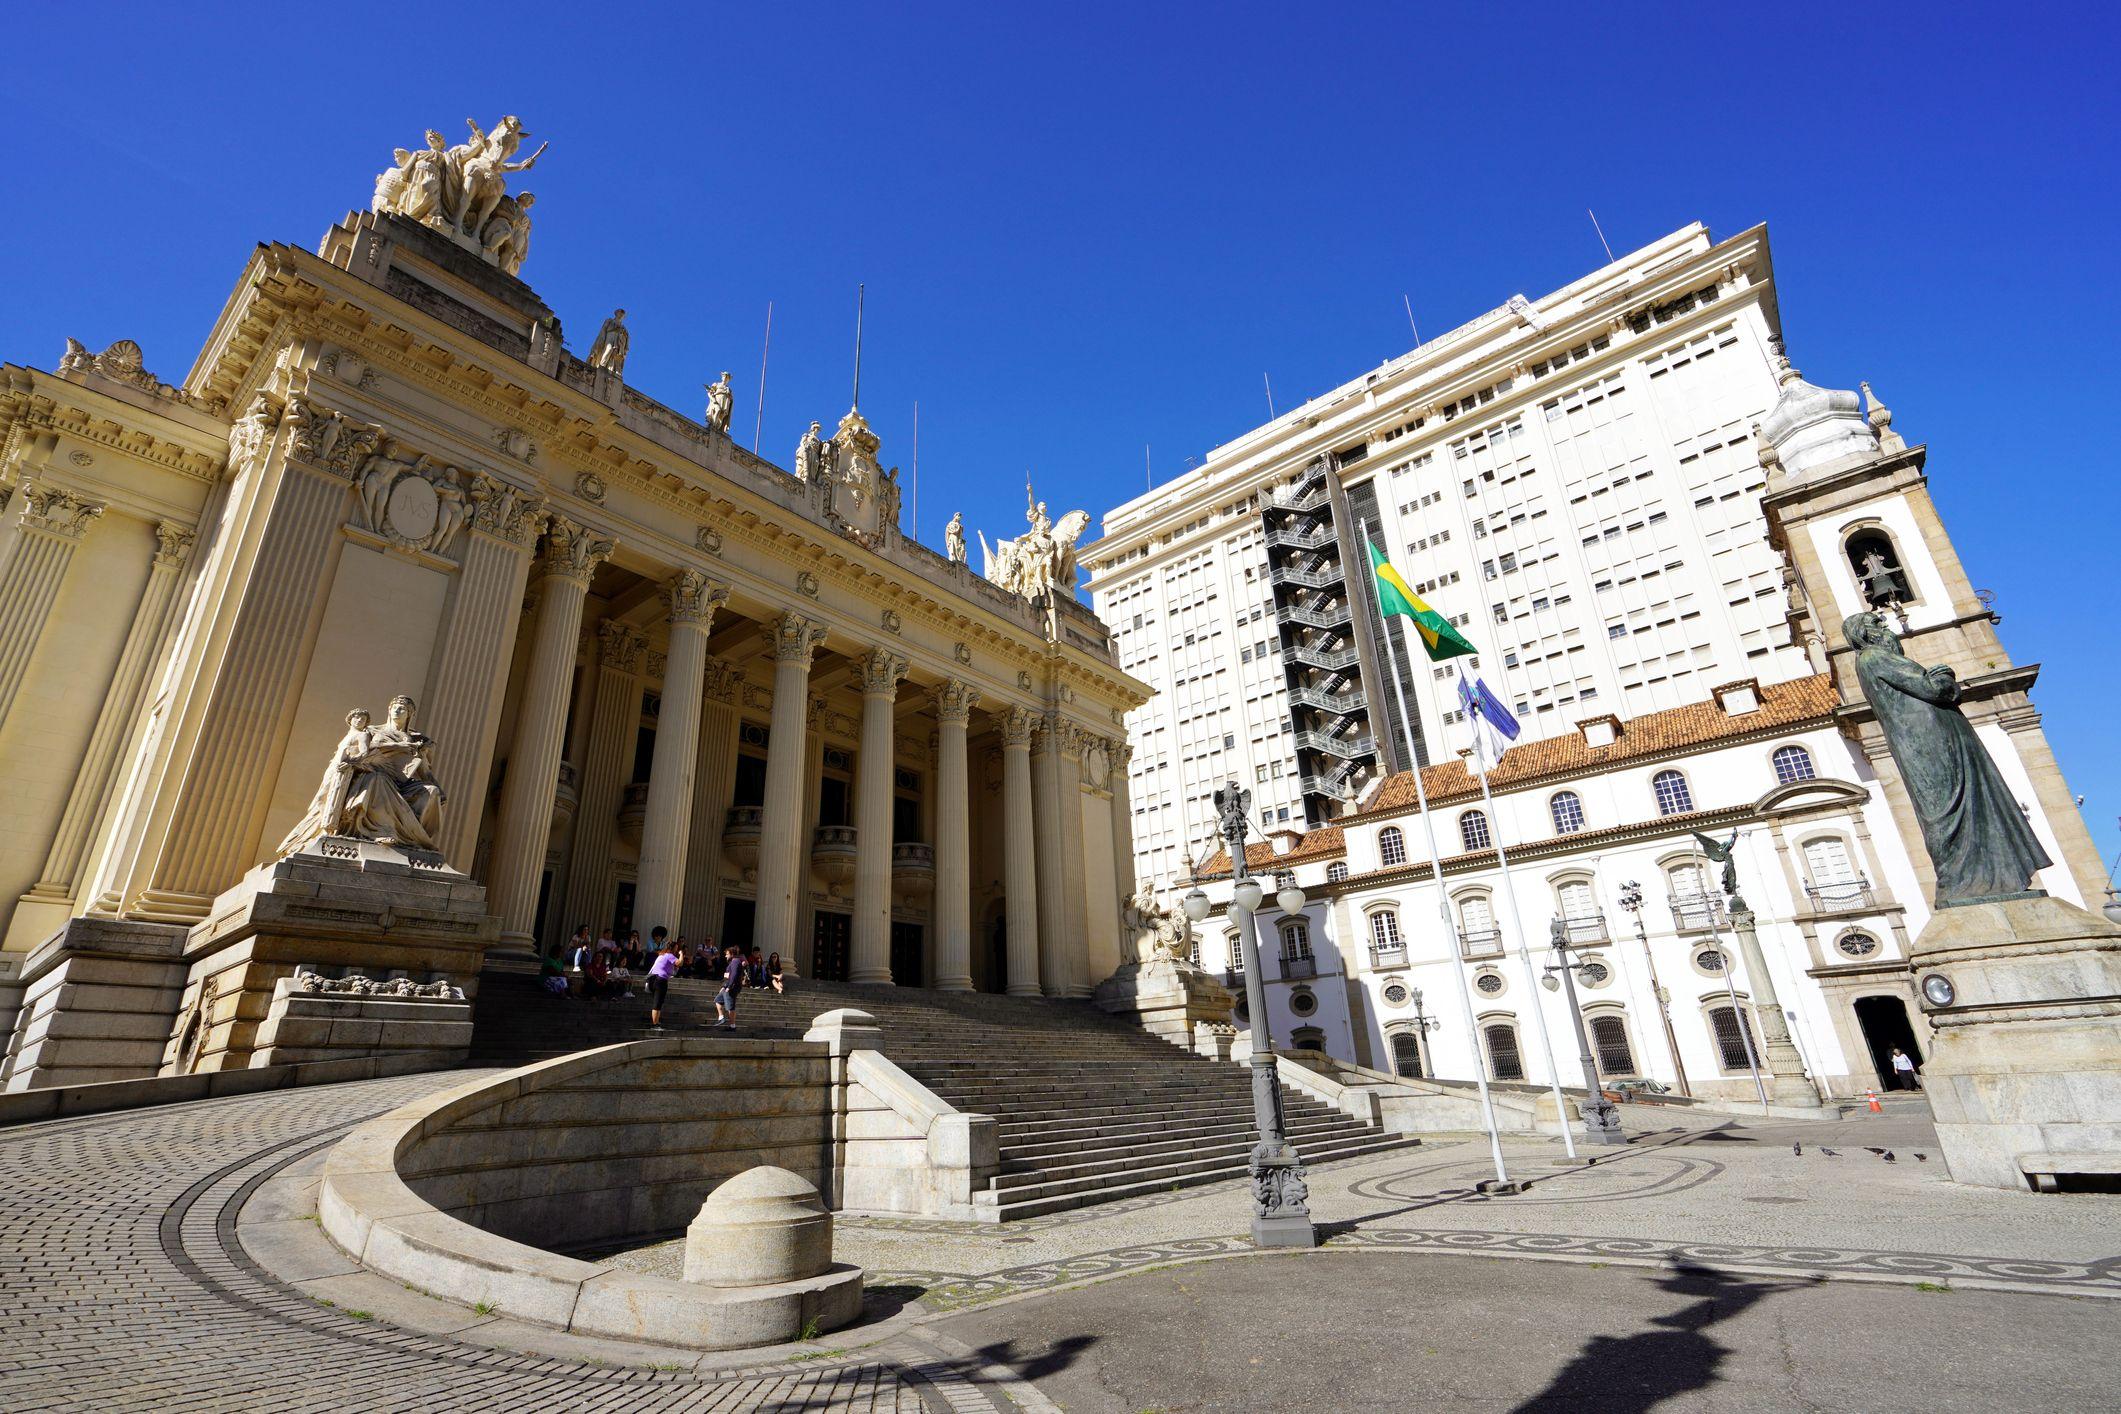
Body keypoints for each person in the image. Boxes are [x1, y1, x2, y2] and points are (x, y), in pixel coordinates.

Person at [713, 944, 746, 1030]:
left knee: (730, 1007)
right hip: (727, 986)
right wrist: (724, 986)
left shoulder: (735, 961)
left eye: (727, 954)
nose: (725, 956)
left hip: (732, 987)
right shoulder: (733, 962)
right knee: (717, 1000)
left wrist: (729, 986)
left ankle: (732, 1026)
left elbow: (734, 975)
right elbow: (728, 975)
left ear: (732, 954)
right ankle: (721, 1018)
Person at [646, 944, 679, 1029]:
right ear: (672, 948)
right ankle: (655, 1024)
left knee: (658, 1002)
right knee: (657, 1002)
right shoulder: (669, 955)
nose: (677, 950)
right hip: (660, 980)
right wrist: (682, 954)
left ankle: (656, 1022)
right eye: (676, 948)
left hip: (653, 979)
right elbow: (680, 963)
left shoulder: (662, 955)